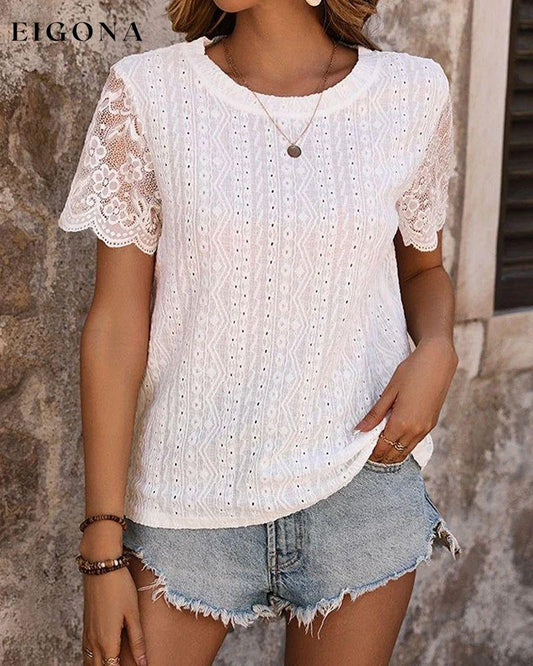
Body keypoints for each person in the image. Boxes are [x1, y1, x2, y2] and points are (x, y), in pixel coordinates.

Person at [58, 1, 463, 664]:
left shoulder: (411, 93)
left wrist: (439, 349)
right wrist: (101, 547)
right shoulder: (147, 93)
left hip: (361, 481)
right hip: (184, 500)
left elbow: (422, 269)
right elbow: (114, 325)